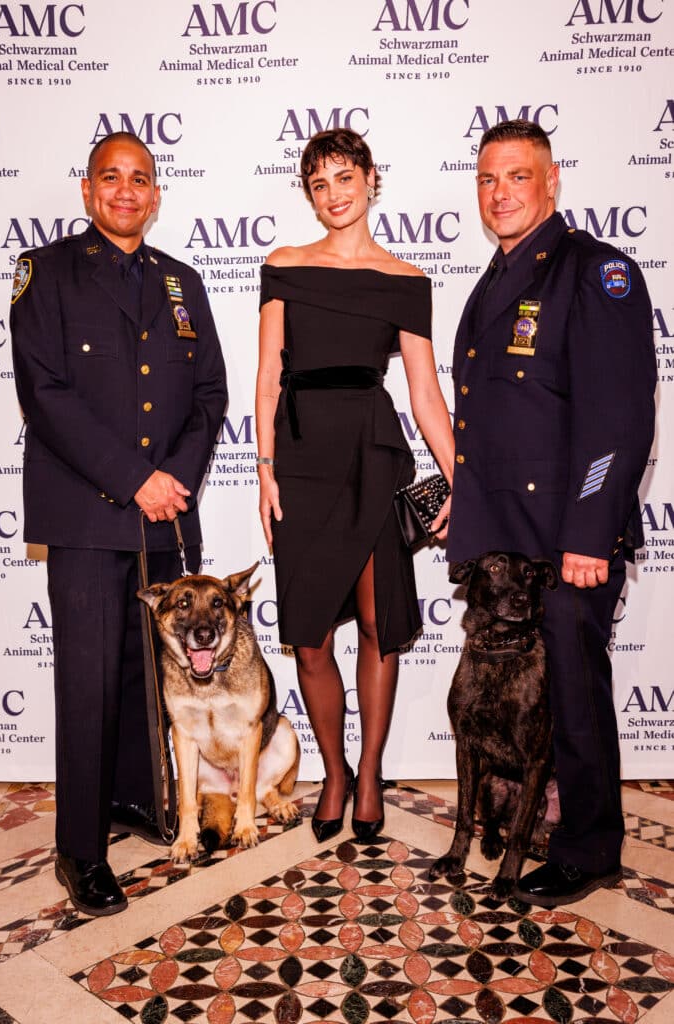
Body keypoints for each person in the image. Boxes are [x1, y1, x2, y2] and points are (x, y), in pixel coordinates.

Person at [10, 131, 227, 916]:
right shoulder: (46, 273)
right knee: (91, 682)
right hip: (89, 514)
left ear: (156, 194)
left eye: (140, 179)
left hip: (166, 518)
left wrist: (172, 483)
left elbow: (210, 395)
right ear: (88, 190)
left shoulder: (182, 281)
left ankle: (136, 799)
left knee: (152, 675)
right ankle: (80, 852)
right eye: (112, 177)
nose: (126, 191)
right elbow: (46, 394)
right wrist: (136, 478)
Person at [446, 119, 656, 906]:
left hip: (566, 540)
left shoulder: (597, 272)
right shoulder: (499, 276)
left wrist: (588, 532)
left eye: (516, 176)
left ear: (551, 179)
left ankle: (590, 846)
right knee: (534, 699)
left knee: (571, 690)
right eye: (487, 180)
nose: (499, 193)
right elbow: (496, 420)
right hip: (507, 541)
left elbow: (619, 417)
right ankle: (542, 821)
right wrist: (460, 510)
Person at [256, 128, 454, 844]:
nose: (334, 194)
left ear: (372, 179)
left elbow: (426, 395)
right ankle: (332, 771)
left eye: (344, 177)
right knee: (308, 639)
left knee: (377, 626)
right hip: (302, 459)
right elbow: (267, 376)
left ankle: (367, 774)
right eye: (319, 183)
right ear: (308, 195)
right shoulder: (282, 267)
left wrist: (465, 483)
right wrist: (264, 470)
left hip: (372, 456)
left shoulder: (405, 281)